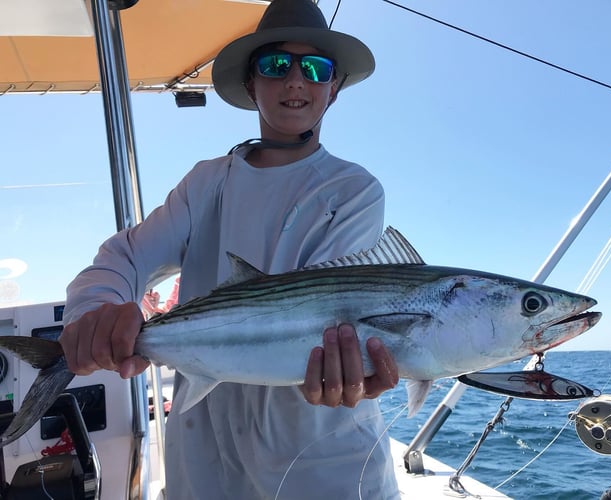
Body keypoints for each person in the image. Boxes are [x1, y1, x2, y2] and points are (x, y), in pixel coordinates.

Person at [60, 0, 400, 498]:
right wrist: (97, 310)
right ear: (251, 83)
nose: (295, 80)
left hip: (326, 467)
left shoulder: (352, 189)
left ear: (334, 90)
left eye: (316, 68)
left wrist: (356, 365)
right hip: (206, 461)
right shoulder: (207, 183)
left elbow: (329, 315)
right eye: (276, 65)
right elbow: (124, 258)